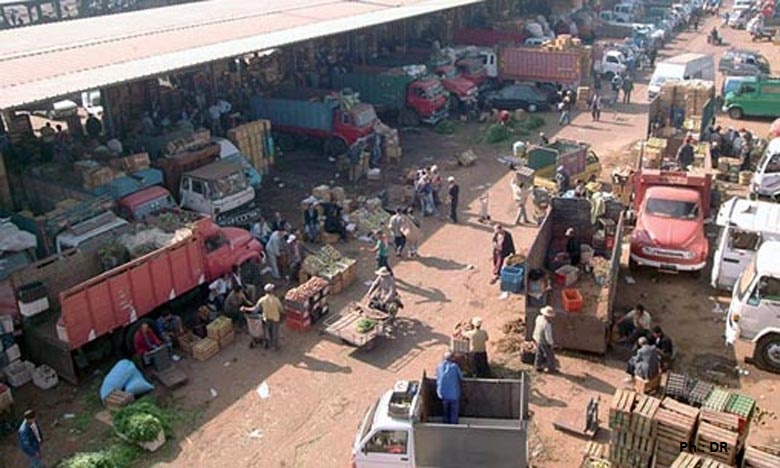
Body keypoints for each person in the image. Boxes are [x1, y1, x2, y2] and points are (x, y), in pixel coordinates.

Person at [241, 284, 283, 350]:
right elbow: (281, 309)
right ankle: (274, 346)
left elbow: (255, 309)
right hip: (275, 318)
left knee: (268, 332)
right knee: (275, 332)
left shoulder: (262, 300)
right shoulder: (276, 300)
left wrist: (245, 308)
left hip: (266, 318)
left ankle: (269, 343)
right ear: (272, 291)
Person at [435, 353, 463, 424]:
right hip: (454, 394)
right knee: (454, 411)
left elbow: (437, 376)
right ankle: (454, 425)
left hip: (442, 393)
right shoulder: (454, 366)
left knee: (445, 411)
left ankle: (445, 423)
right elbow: (461, 377)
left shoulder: (439, 366)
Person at [533, 306, 558, 373]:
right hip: (544, 342)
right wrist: (551, 344)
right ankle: (551, 369)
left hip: (538, 338)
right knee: (550, 355)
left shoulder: (538, 318)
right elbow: (548, 336)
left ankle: (537, 367)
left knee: (539, 353)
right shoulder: (547, 324)